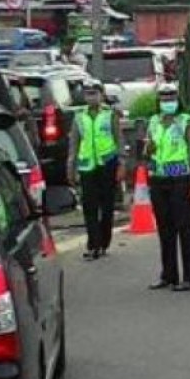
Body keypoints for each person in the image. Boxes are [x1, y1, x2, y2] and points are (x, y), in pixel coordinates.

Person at [144, 83, 190, 292]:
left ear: (178, 100)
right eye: (163, 99)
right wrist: (147, 150)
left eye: (171, 99)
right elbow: (149, 152)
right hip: (159, 180)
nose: (167, 102)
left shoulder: (187, 123)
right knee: (165, 229)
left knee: (186, 229)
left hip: (182, 180)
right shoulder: (153, 122)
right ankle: (168, 274)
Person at [68, 82, 124, 260]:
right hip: (87, 166)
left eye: (94, 93)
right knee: (89, 207)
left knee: (107, 206)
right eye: (88, 94)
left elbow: (119, 140)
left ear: (101, 95)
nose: (91, 97)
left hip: (107, 164)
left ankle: (104, 241)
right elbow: (74, 145)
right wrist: (71, 168)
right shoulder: (79, 117)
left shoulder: (110, 115)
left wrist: (121, 163)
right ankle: (93, 244)